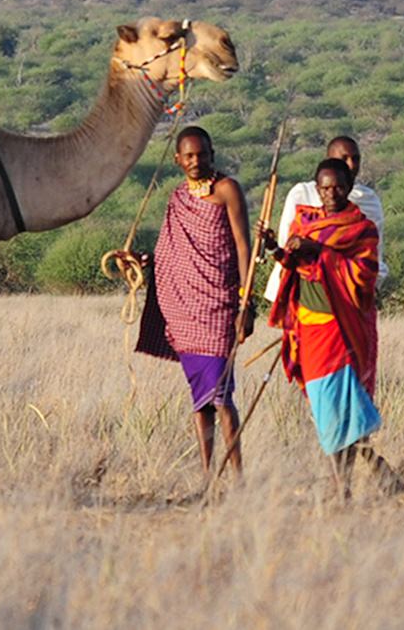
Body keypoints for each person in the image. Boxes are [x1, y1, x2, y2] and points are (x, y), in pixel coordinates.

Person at [135, 126, 255, 478]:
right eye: (188, 155)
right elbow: (172, 252)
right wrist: (149, 262)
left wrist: (246, 303)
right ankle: (207, 476)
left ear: (212, 153)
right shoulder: (177, 198)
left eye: (201, 154)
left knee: (221, 396)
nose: (196, 161)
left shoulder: (227, 189)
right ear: (177, 160)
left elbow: (244, 245)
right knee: (201, 399)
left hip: (219, 305)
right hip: (185, 310)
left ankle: (238, 478)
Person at [262, 159, 383, 497]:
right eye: (325, 188)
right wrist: (273, 245)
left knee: (338, 407)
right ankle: (374, 470)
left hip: (339, 329)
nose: (332, 193)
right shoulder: (306, 221)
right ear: (316, 189)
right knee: (324, 408)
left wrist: (323, 253)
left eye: (338, 186)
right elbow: (291, 260)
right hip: (308, 328)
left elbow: (365, 275)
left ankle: (341, 486)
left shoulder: (361, 228)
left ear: (349, 185)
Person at [261, 136, 387, 302]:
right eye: (344, 159)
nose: (351, 165)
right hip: (302, 287)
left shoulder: (368, 200)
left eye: (355, 159)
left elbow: (372, 254)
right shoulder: (302, 194)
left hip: (347, 290)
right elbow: (287, 244)